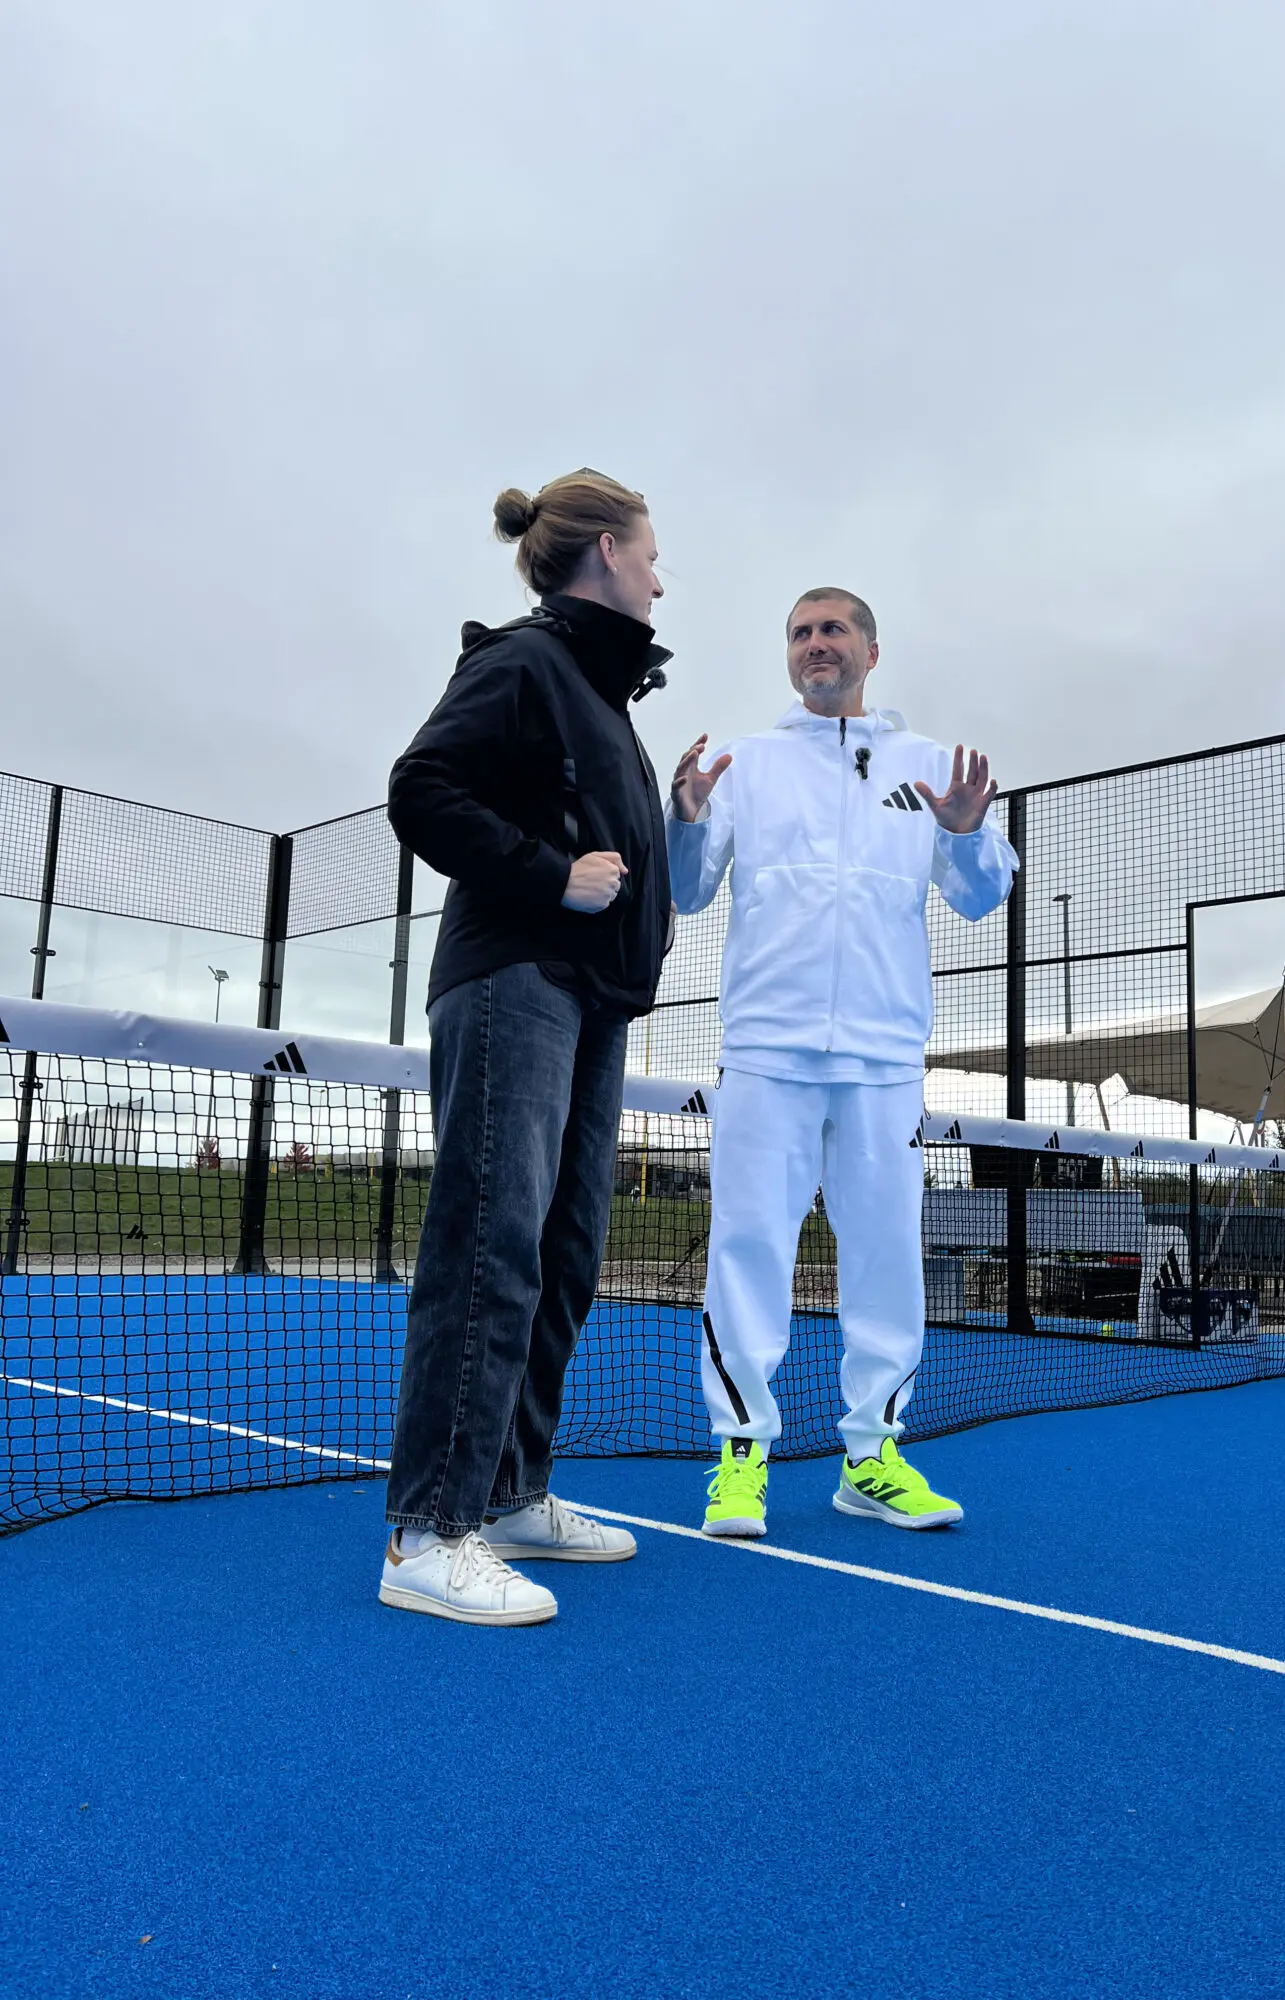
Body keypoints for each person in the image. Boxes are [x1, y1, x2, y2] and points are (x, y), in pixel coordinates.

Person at [379, 469, 673, 1625]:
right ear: (607, 549)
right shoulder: (520, 658)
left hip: (594, 998)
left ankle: (508, 1494)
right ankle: (427, 1529)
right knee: (491, 1241)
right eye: (653, 553)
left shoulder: (604, 699)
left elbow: (615, 850)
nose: (662, 574)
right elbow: (421, 790)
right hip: (514, 982)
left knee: (565, 1249)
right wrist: (555, 875)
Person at [667, 587, 1016, 1537]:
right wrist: (687, 818)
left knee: (886, 1260)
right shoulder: (747, 764)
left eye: (832, 630)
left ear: (871, 647)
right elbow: (689, 892)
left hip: (884, 1059)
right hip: (766, 1053)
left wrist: (964, 831)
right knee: (746, 1250)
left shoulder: (935, 767)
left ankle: (873, 1457)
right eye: (799, 633)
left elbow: (983, 897)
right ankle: (740, 1459)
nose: (816, 645)